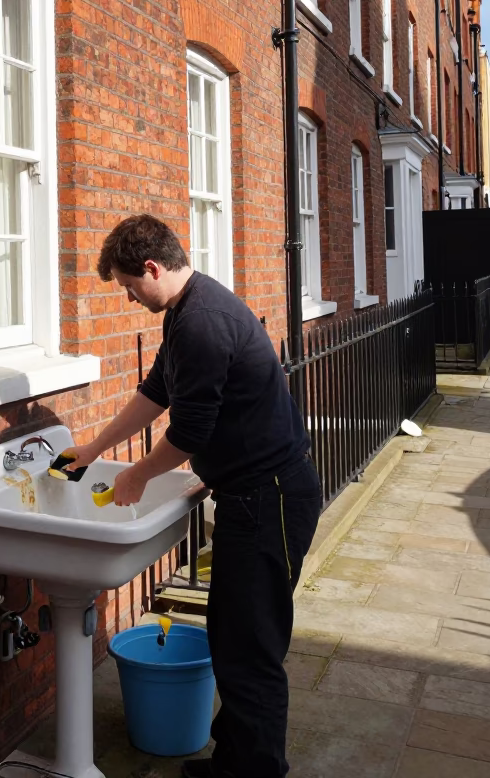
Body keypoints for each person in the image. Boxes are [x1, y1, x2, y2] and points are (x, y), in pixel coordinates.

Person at [68, 214, 322, 778]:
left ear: (153, 268)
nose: (133, 299)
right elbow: (156, 392)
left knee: (250, 648)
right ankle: (234, 760)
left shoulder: (201, 321)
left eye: (132, 288)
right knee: (232, 636)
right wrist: (92, 447)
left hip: (271, 497)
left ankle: (254, 771)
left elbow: (192, 430)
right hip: (250, 491)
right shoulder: (187, 311)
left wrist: (139, 475)